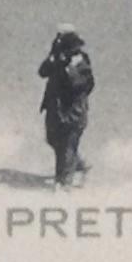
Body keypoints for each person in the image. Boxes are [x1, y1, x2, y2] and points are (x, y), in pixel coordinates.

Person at [38, 25, 95, 188]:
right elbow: (42, 72)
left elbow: (85, 85)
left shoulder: (81, 60)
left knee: (67, 145)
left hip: (73, 111)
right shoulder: (57, 58)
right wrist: (53, 57)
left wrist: (68, 67)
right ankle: (79, 166)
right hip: (54, 108)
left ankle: (63, 183)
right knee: (53, 140)